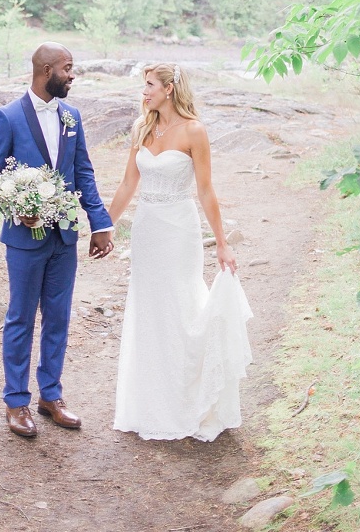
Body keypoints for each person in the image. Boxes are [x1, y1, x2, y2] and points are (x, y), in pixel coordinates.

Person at [108, 62, 252, 441]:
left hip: (179, 231)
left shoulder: (194, 131)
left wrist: (221, 242)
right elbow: (127, 184)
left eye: (150, 85)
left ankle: (193, 399)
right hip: (147, 230)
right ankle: (153, 404)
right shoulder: (142, 128)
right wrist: (104, 227)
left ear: (169, 89)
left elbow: (206, 191)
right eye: (144, 86)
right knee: (149, 310)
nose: (144, 92)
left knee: (181, 306)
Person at [0, 42, 114, 438]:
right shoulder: (6, 117)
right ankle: (16, 402)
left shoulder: (71, 117)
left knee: (58, 317)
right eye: (67, 68)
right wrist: (17, 208)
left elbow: (83, 172)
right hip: (24, 239)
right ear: (45, 71)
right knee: (21, 318)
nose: (72, 75)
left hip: (64, 238)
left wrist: (100, 222)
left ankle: (51, 395)